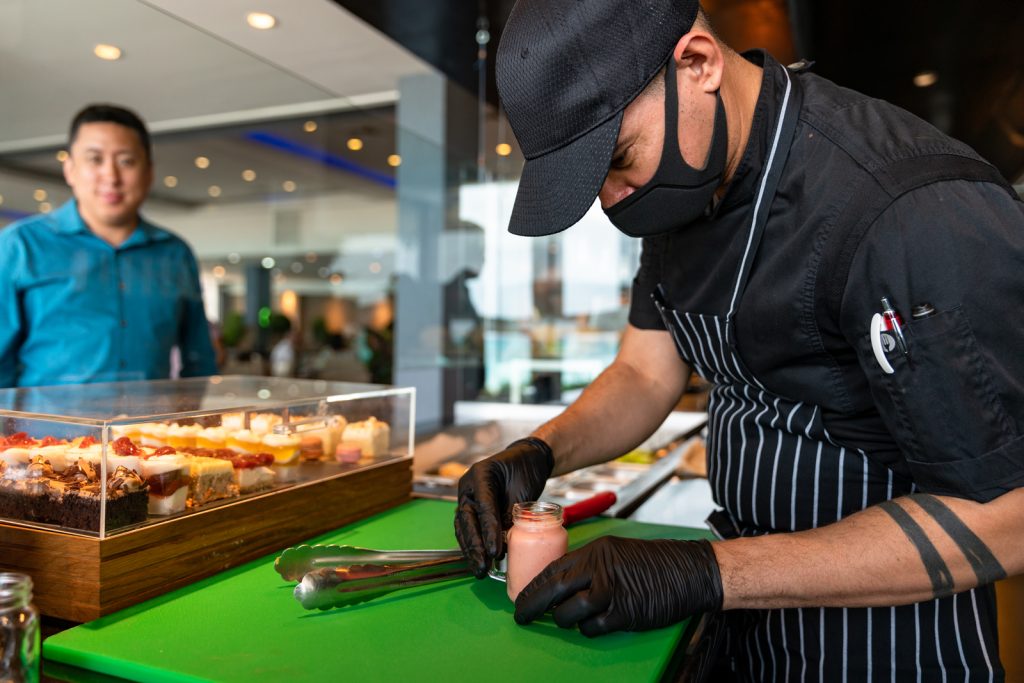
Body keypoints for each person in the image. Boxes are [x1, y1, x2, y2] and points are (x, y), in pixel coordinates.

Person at [455, 0, 1024, 679]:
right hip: (745, 621)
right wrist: (540, 452)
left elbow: (1007, 515)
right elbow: (644, 372)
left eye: (618, 159)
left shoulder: (908, 208)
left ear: (697, 63)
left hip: (889, 637)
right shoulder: (679, 189)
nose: (612, 201)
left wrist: (709, 569)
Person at [0, 104, 217, 387]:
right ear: (70, 169)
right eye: (95, 159)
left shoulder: (175, 253)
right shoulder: (21, 246)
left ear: (149, 172)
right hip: (44, 431)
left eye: (126, 161)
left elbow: (199, 360)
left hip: (149, 430)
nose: (111, 177)